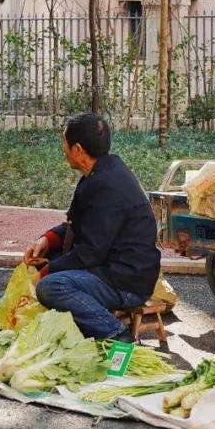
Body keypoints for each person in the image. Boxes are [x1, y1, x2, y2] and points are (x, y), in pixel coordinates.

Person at [23, 113, 161, 340]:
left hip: (126, 281)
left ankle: (115, 333)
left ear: (77, 149)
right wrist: (47, 239)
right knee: (44, 263)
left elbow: (91, 251)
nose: (63, 148)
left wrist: (47, 273)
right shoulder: (101, 172)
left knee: (51, 286)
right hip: (110, 266)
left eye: (64, 142)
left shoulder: (107, 185)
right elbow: (76, 225)